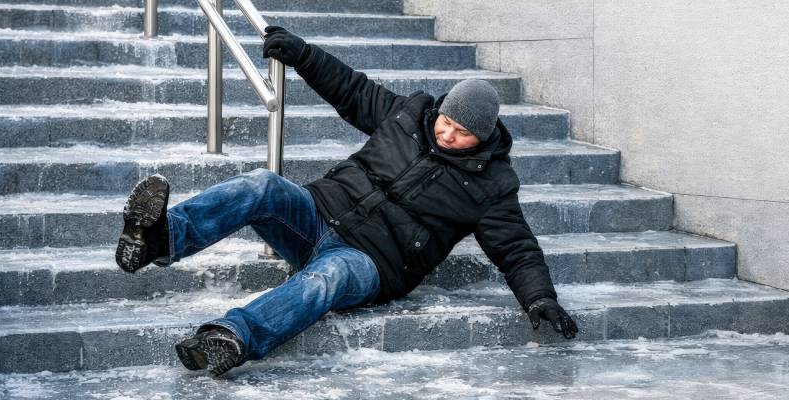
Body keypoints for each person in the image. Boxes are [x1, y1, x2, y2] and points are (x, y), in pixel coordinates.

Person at [113, 26, 578, 377]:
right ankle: (161, 237)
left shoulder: (493, 184)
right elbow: (352, 91)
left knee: (329, 276)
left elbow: (515, 248)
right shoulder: (411, 113)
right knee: (263, 185)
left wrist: (540, 298)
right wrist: (304, 55)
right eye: (447, 123)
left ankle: (232, 338)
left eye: (462, 133)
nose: (448, 134)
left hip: (371, 262)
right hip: (316, 216)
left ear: (482, 137)